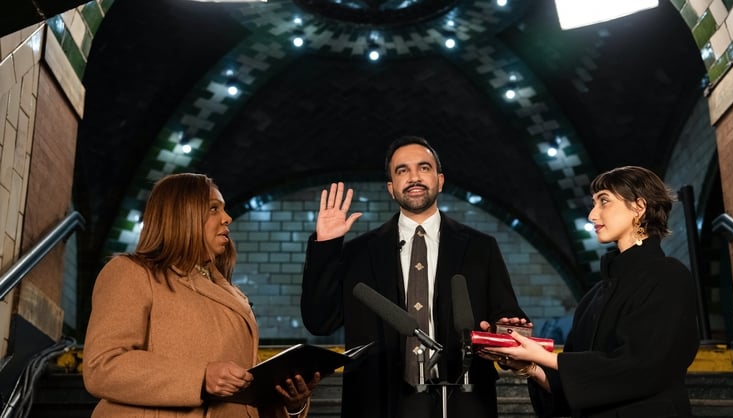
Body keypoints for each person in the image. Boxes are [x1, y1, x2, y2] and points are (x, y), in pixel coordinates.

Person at [301, 135, 529, 418]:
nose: (414, 177)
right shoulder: (358, 252)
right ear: (391, 188)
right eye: (402, 170)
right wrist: (326, 247)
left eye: (424, 167)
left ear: (440, 180)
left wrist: (506, 334)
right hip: (378, 402)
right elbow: (319, 321)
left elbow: (508, 321)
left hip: (463, 399)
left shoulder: (481, 247)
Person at [83, 173, 320, 417]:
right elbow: (102, 365)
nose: (227, 218)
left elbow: (245, 394)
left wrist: (291, 405)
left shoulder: (232, 295)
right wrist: (201, 377)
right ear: (181, 214)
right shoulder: (131, 272)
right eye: (214, 209)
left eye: (224, 210)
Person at [479, 166, 700, 418]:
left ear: (639, 207)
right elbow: (578, 390)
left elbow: (644, 367)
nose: (593, 215)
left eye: (604, 201)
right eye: (593, 203)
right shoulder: (593, 297)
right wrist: (530, 366)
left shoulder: (668, 276)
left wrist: (547, 358)